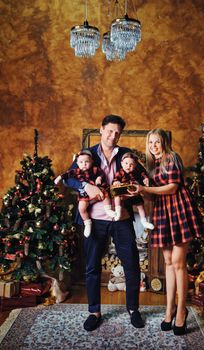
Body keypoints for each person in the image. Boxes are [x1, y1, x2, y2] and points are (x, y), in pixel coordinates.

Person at [64, 115, 145, 331]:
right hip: (94, 219)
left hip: (121, 218)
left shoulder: (126, 154)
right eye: (109, 131)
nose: (113, 136)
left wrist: (132, 190)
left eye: (117, 132)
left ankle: (133, 309)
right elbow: (68, 178)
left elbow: (139, 178)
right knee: (91, 267)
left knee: (132, 265)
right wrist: (85, 187)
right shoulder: (88, 153)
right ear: (101, 130)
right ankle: (94, 311)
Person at [129, 128, 202, 335]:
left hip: (178, 210)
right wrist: (133, 190)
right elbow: (152, 196)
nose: (153, 146)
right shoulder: (152, 167)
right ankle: (169, 309)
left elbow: (172, 187)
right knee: (168, 263)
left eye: (157, 142)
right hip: (162, 213)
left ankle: (181, 311)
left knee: (179, 264)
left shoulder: (171, 157)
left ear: (164, 142)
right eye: (150, 142)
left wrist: (145, 189)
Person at [54, 150, 116, 238]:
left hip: (98, 188)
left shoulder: (95, 169)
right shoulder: (76, 171)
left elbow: (101, 173)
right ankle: (87, 222)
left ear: (92, 162)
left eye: (87, 162)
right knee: (81, 208)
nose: (84, 164)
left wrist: (99, 178)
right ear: (77, 163)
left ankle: (108, 209)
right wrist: (59, 178)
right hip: (84, 193)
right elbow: (66, 176)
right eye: (81, 162)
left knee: (105, 195)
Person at [112, 151, 154, 231]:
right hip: (123, 192)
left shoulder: (135, 172)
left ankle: (144, 221)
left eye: (131, 165)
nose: (128, 166)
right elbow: (115, 179)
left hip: (133, 192)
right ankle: (118, 212)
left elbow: (142, 174)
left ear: (135, 166)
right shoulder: (120, 172)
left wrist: (145, 179)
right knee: (117, 197)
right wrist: (116, 182)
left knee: (141, 206)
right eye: (126, 163)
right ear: (121, 163)